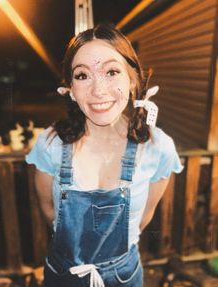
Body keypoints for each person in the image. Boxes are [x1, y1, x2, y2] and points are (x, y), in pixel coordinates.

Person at [26, 23, 183, 287]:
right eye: (82, 75)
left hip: (123, 276)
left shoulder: (157, 148)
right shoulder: (50, 144)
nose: (98, 90)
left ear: (132, 79)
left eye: (111, 71)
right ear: (71, 90)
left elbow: (144, 219)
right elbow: (48, 212)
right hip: (63, 275)